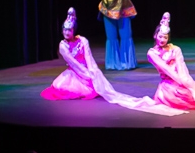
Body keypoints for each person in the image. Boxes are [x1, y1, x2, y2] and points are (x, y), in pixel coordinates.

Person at [41, 9, 182, 115]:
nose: (67, 32)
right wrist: (86, 75)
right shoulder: (63, 46)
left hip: (87, 71)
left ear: (74, 30)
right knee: (64, 88)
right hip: (75, 73)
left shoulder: (82, 40)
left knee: (95, 86)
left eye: (70, 30)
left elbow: (89, 59)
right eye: (65, 30)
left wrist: (93, 72)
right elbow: (73, 63)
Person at [148, 12, 195, 112]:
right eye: (160, 36)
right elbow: (166, 69)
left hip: (182, 80)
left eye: (165, 37)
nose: (162, 39)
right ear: (155, 35)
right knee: (184, 96)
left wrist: (186, 82)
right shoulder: (152, 53)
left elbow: (181, 67)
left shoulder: (175, 48)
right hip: (168, 85)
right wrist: (180, 82)